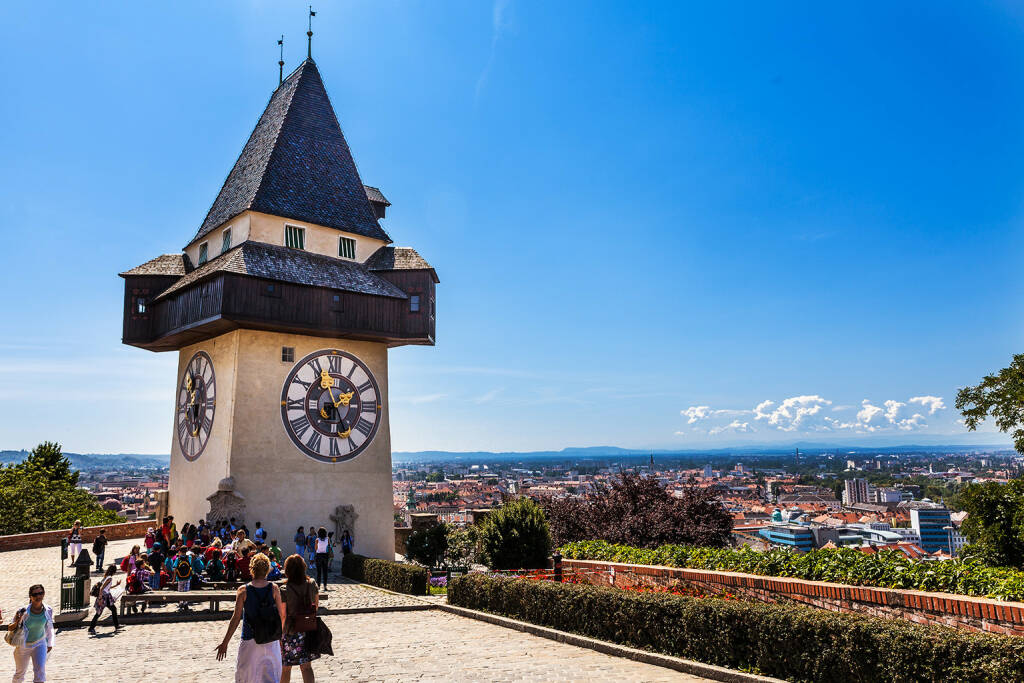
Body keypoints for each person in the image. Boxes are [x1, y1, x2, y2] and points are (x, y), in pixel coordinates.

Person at [215, 553, 285, 682]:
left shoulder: (243, 590)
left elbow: (235, 619)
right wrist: (280, 638)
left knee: (246, 677)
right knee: (270, 677)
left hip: (249, 638)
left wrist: (225, 642)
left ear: (251, 568)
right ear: (267, 569)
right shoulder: (274, 588)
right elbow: (281, 615)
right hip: (270, 639)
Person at [280, 554, 321, 683]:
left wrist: (279, 635)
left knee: (286, 668)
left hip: (290, 632)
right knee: (307, 668)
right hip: (308, 630)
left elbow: (283, 615)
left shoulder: (284, 589)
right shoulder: (311, 583)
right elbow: (316, 606)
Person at [9, 584, 54, 683]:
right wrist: (18, 620)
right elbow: (10, 627)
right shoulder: (23, 611)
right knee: (20, 673)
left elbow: (49, 627)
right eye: (35, 594)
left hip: (40, 644)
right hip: (23, 646)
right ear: (30, 596)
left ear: (44, 594)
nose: (38, 596)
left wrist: (50, 643)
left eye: (40, 593)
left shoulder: (48, 610)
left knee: (40, 672)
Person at [88, 565, 121, 633]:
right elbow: (101, 588)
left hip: (107, 596)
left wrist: (116, 585)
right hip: (104, 597)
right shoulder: (109, 578)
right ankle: (91, 628)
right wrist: (100, 599)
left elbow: (107, 587)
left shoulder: (106, 577)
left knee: (113, 609)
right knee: (98, 613)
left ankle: (117, 625)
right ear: (113, 571)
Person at [172, 546, 193, 612]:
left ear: (180, 551)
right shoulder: (189, 557)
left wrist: (174, 579)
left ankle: (181, 603)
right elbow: (190, 565)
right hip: (187, 577)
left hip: (180, 577)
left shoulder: (178, 559)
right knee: (186, 590)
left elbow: (175, 569)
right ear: (186, 551)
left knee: (180, 590)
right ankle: (185, 603)